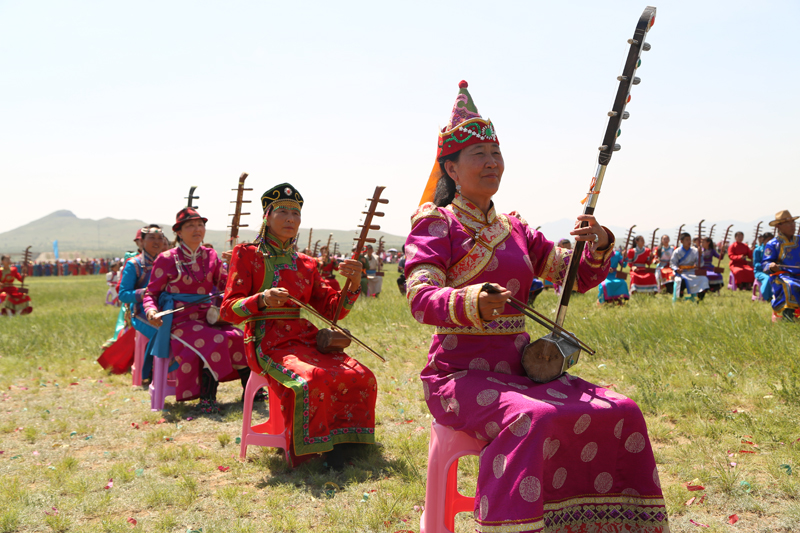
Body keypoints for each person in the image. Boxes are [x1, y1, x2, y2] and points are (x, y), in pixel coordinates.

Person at [407, 81, 667, 532]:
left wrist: (599, 243)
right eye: (478, 155)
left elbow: (574, 278)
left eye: (496, 153)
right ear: (450, 166)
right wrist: (472, 300)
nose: (491, 163)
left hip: (524, 370)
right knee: (536, 416)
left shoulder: (516, 228)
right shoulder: (437, 223)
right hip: (458, 375)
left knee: (621, 409)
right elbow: (420, 296)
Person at [220, 183, 377, 469]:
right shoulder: (247, 255)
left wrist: (352, 285)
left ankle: (346, 446)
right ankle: (308, 451)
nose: (291, 219)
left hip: (305, 339)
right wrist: (262, 299)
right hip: (266, 341)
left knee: (362, 374)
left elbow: (333, 311)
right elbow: (228, 310)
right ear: (267, 216)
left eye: (296, 213)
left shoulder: (306, 263)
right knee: (311, 379)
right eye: (283, 212)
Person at [143, 207, 248, 413]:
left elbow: (226, 284)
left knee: (239, 336)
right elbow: (151, 293)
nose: (197, 229)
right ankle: (207, 398)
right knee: (216, 340)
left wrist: (237, 265)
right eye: (190, 225)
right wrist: (150, 311)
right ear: (179, 232)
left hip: (207, 318)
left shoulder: (210, 255)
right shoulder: (166, 258)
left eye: (200, 225)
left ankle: (251, 390)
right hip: (179, 320)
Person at [762, 210, 800, 321]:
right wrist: (771, 265)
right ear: (779, 226)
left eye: (793, 222)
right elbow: (764, 264)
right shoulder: (773, 244)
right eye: (788, 223)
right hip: (783, 276)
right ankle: (789, 316)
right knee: (791, 285)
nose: (792, 225)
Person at [670, 232, 709, 301]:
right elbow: (672, 263)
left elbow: (700, 264)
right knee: (680, 282)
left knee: (704, 279)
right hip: (681, 273)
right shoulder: (677, 251)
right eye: (687, 240)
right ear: (681, 241)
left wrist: (700, 256)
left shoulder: (695, 251)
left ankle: (699, 299)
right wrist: (676, 269)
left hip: (692, 272)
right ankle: (679, 299)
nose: (689, 241)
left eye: (690, 239)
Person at [753, 232, 773, 301]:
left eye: (772, 240)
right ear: (763, 240)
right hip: (760, 272)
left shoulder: (773, 250)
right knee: (767, 278)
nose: (770, 241)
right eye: (768, 239)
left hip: (771, 270)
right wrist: (765, 265)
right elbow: (756, 264)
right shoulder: (757, 250)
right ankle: (767, 297)